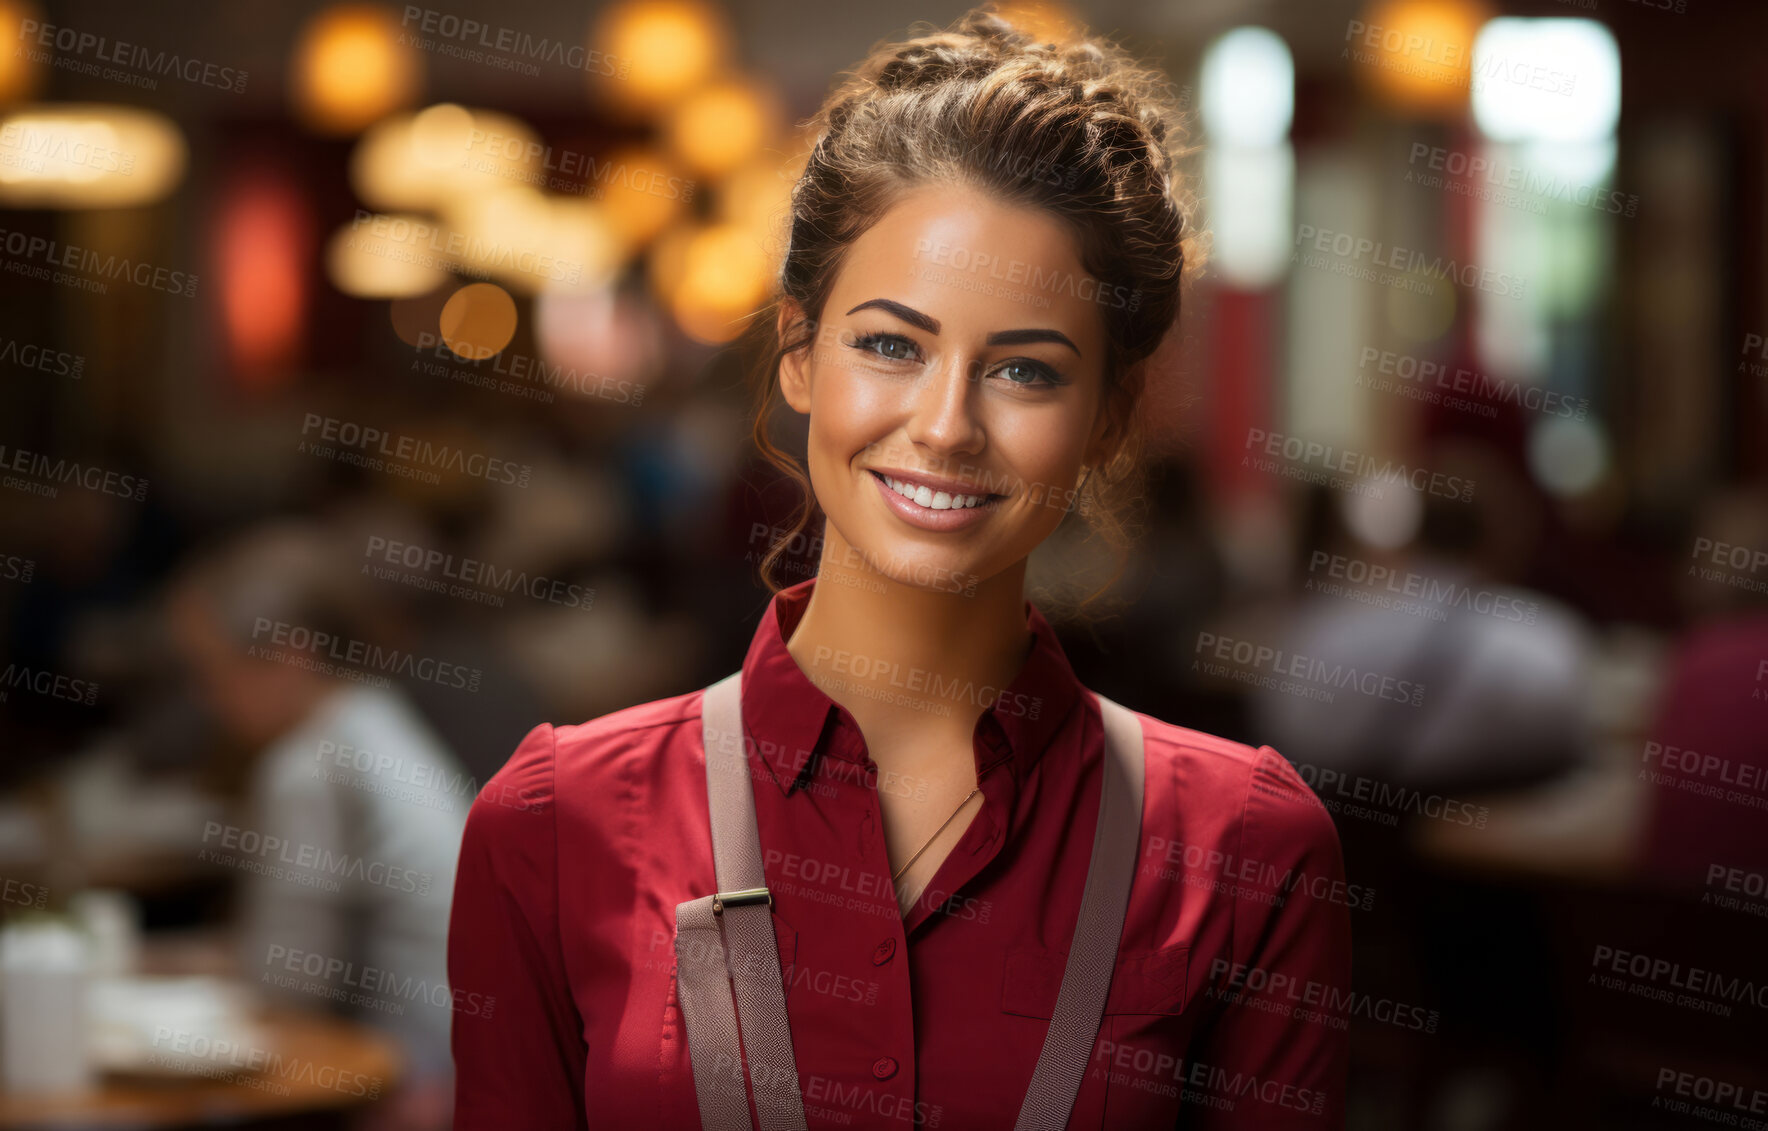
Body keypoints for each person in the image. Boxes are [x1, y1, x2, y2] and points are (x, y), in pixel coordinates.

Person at [449, 10, 1352, 1129]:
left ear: (1109, 418)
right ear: (797, 352)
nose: (944, 425)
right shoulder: (551, 826)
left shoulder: (1244, 849)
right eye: (889, 344)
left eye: (1024, 370)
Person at [166, 521, 467, 1131]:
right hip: (468, 1067)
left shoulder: (307, 763)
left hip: (406, 1088)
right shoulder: (379, 716)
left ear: (288, 655)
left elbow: (287, 988)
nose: (206, 698)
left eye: (212, 669)